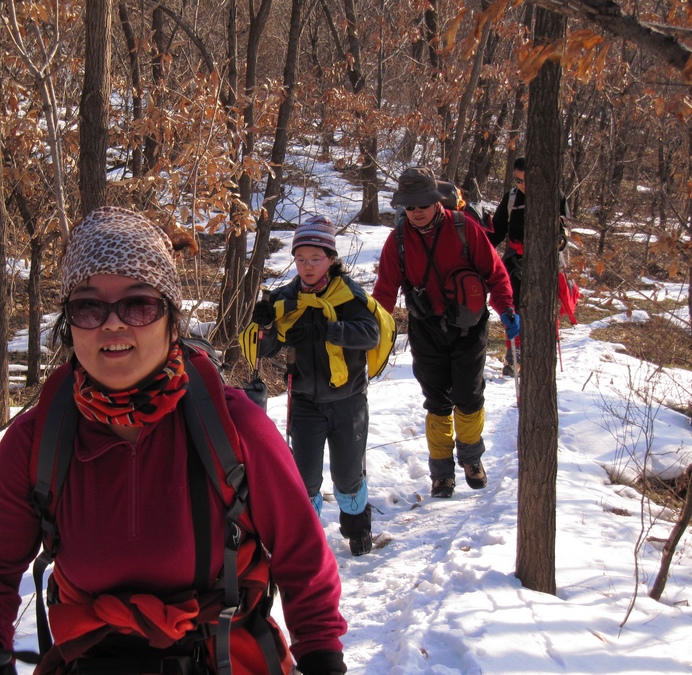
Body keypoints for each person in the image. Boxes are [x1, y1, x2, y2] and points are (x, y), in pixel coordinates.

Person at [0, 207, 348, 675]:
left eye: (138, 304)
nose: (113, 324)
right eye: (89, 305)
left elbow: (303, 557)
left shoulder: (234, 429)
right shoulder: (38, 441)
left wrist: (322, 656)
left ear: (171, 320)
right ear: (69, 323)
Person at [241, 215, 392, 557]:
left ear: (332, 260)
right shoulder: (285, 299)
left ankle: (358, 530)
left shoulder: (350, 296)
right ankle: (307, 545)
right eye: (301, 259)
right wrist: (263, 325)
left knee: (347, 476)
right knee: (304, 480)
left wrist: (329, 330)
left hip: (348, 401)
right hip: (305, 401)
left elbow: (370, 335)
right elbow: (263, 349)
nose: (307, 267)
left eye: (316, 259)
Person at [373, 167, 517, 499]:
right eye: (409, 206)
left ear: (436, 200)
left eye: (422, 204)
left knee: (468, 397)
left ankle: (471, 460)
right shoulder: (397, 241)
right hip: (426, 329)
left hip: (470, 326)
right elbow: (383, 293)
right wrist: (374, 327)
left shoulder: (464, 228)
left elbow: (495, 273)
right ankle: (441, 473)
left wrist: (506, 307)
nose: (416, 212)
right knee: (437, 402)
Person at [489, 156, 571, 375]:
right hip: (515, 259)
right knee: (511, 305)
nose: (522, 185)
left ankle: (544, 351)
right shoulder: (511, 198)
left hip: (545, 261)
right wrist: (480, 251)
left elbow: (564, 232)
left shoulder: (555, 197)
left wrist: (558, 242)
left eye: (526, 180)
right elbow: (496, 231)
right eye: (518, 180)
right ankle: (514, 355)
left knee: (545, 307)